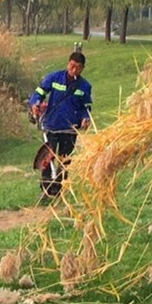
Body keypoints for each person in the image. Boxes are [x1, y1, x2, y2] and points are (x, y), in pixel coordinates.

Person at [29, 52, 92, 200]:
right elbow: (39, 92)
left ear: (83, 68)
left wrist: (85, 118)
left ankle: (59, 190)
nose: (74, 70)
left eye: (78, 68)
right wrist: (35, 104)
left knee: (65, 161)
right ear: (68, 63)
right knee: (47, 157)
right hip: (52, 125)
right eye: (72, 66)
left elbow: (86, 107)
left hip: (70, 129)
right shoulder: (54, 78)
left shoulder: (85, 86)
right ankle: (45, 189)